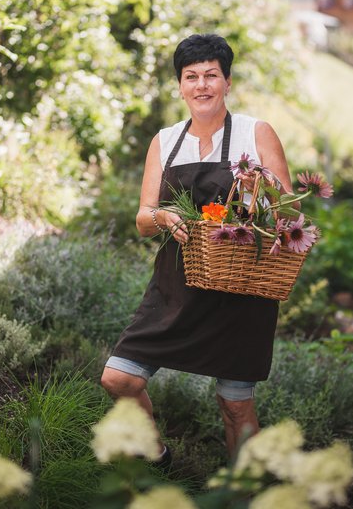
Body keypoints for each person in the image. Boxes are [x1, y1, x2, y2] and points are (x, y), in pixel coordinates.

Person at [101, 33, 295, 466]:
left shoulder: (255, 132)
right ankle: (158, 457)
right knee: (118, 379)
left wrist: (257, 189)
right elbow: (143, 217)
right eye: (192, 76)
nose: (202, 85)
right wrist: (163, 218)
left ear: (227, 82)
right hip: (176, 285)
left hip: (240, 287)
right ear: (180, 85)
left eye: (211, 75)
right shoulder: (165, 140)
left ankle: (243, 492)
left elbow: (286, 213)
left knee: (235, 405)